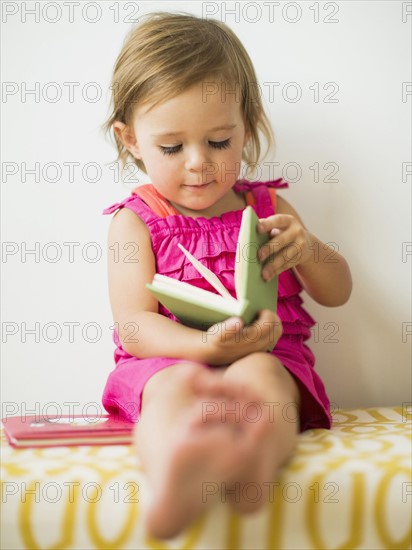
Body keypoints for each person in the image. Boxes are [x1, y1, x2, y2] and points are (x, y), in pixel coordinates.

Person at [101, 12, 352, 539]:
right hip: (169, 361)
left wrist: (306, 249)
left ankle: (254, 461)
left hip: (265, 352)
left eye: (219, 141)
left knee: (261, 382)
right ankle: (176, 470)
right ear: (131, 140)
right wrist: (206, 348)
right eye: (172, 147)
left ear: (247, 126)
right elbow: (135, 328)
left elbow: (337, 292)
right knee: (170, 394)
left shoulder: (266, 207)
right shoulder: (135, 222)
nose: (199, 164)